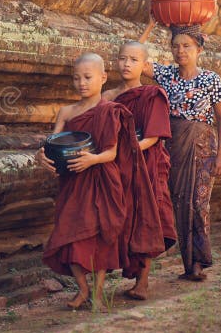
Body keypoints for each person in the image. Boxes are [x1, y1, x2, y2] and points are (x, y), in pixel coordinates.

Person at [36, 53, 158, 310]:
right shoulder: (66, 111)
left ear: (102, 78)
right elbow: (50, 144)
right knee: (66, 233)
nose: (82, 83)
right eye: (76, 78)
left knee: (100, 239)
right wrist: (40, 157)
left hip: (100, 179)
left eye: (88, 77)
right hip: (72, 181)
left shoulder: (109, 110)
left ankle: (99, 296)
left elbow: (111, 153)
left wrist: (91, 160)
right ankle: (83, 289)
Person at [139, 19, 221, 281]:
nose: (180, 51)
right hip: (173, 147)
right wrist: (150, 26)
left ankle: (199, 261)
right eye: (176, 46)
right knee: (178, 203)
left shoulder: (211, 79)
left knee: (199, 204)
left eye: (186, 46)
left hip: (203, 148)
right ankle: (189, 265)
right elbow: (134, 55)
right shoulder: (166, 74)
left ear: (199, 49)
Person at [103, 41, 176, 300]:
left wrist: (129, 152)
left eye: (134, 60)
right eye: (123, 58)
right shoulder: (109, 96)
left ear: (144, 65)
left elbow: (154, 136)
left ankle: (142, 283)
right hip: (117, 165)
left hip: (146, 163)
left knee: (146, 217)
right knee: (123, 217)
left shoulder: (152, 94)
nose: (127, 64)